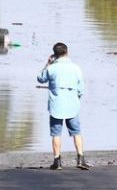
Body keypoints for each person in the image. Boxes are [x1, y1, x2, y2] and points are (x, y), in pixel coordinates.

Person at [37, 42, 91, 170]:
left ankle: (57, 161)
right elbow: (81, 89)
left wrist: (48, 64)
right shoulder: (76, 68)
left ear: (54, 55)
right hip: (72, 105)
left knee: (56, 134)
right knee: (76, 133)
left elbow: (40, 78)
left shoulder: (52, 68)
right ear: (67, 52)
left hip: (56, 106)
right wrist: (75, 98)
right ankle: (80, 159)